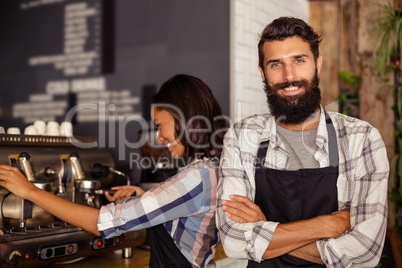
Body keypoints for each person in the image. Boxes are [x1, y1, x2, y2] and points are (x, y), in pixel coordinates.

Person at [0, 74, 228, 268]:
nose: (159, 138)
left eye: (159, 125)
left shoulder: (195, 177)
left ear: (182, 118)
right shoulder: (210, 168)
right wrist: (144, 197)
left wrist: (30, 191)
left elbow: (102, 224)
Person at [216, 17, 389, 267]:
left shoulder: (361, 139)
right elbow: (233, 243)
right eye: (276, 64)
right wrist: (329, 225)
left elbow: (365, 252)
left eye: (299, 60)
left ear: (317, 63)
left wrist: (265, 231)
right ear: (262, 73)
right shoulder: (243, 136)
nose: (289, 76)